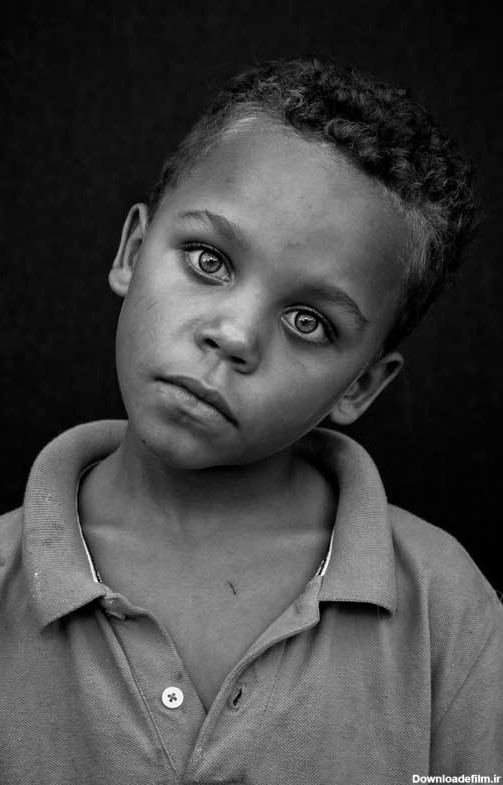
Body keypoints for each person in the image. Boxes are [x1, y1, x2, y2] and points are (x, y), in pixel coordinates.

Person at [0, 58, 501, 785]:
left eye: (308, 321)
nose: (233, 336)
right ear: (132, 252)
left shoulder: (445, 609)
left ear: (359, 385)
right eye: (208, 260)